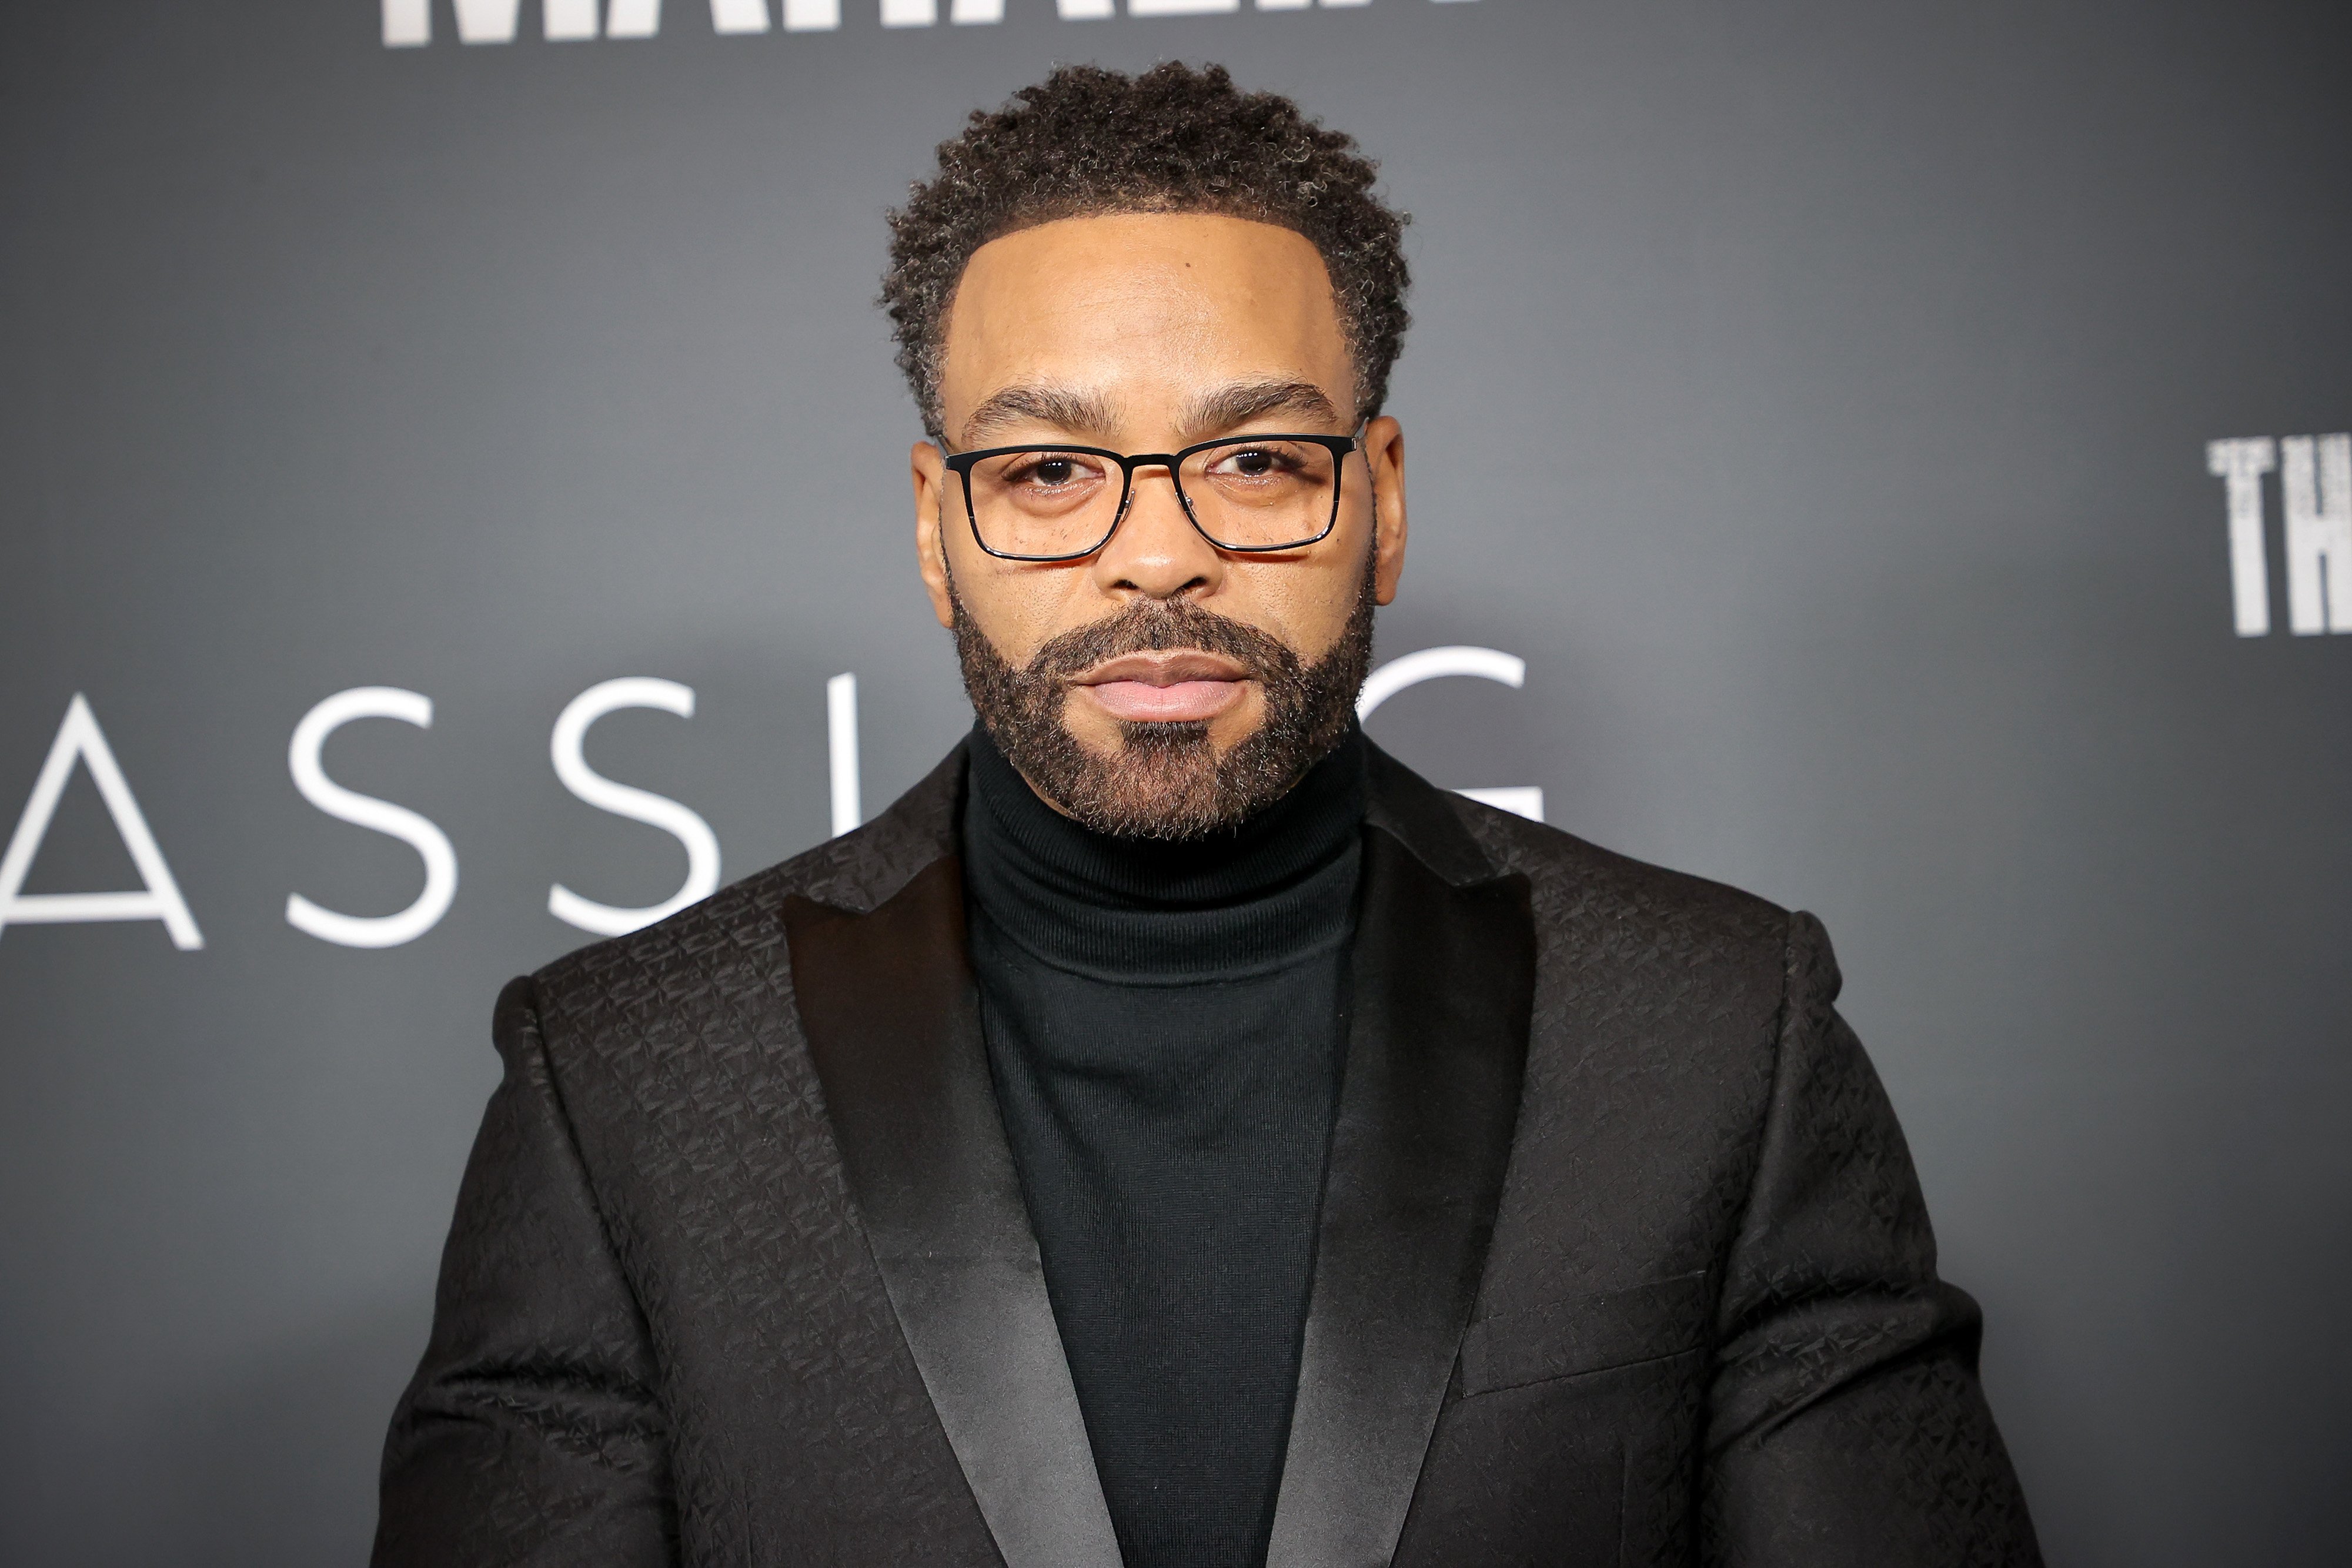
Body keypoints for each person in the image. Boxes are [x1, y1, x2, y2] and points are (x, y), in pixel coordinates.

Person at [373, 62, 2041, 1568]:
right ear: (936, 526)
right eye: (1047, 471)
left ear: (1382, 501)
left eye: (1255, 462)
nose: (1158, 555)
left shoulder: (1714, 1033)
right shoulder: (630, 1083)